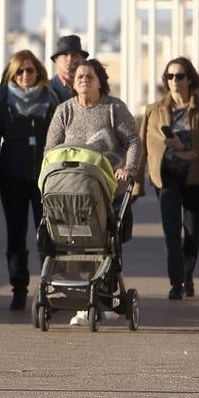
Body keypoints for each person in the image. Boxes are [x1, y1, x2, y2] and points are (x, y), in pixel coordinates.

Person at [44, 59, 141, 326]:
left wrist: (128, 168)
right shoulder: (65, 111)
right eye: (79, 77)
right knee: (73, 243)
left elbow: (132, 140)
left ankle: (105, 297)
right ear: (73, 84)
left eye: (90, 76)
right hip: (72, 189)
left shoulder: (113, 108)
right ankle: (80, 303)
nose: (84, 80)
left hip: (109, 186)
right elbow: (50, 150)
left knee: (107, 244)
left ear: (100, 81)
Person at [137, 57, 199, 300]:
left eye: (179, 76)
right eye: (170, 77)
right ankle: (176, 282)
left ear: (190, 79)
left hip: (197, 178)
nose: (174, 81)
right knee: (171, 232)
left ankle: (187, 274)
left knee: (192, 233)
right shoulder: (154, 110)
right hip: (167, 178)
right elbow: (142, 148)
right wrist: (136, 182)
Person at [0, 49, 59, 310]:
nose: (25, 75)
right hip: (11, 176)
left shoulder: (50, 99)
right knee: (15, 235)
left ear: (38, 72)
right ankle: (19, 287)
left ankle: (49, 287)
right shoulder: (3, 99)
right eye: (19, 71)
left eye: (30, 70)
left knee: (47, 233)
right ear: (12, 75)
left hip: (45, 177)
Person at [47, 35, 88, 103]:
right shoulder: (47, 89)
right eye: (65, 54)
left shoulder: (89, 87)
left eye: (74, 54)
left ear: (82, 59)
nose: (70, 59)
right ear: (56, 59)